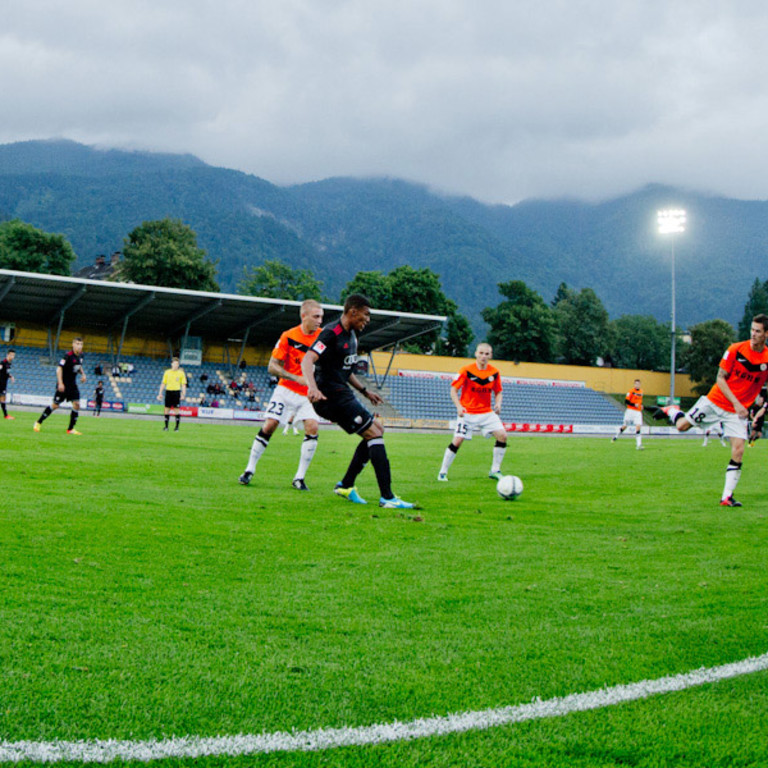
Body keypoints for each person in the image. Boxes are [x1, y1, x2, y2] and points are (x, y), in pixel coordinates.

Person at [301, 293, 415, 509]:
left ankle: (346, 485)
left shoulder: (352, 335)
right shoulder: (331, 333)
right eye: (365, 315)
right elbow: (308, 359)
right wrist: (312, 387)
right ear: (352, 312)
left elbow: (347, 370)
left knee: (376, 429)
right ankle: (387, 498)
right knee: (374, 432)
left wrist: (365, 391)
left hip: (342, 393)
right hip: (330, 396)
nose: (368, 320)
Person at [654, 314, 768, 506]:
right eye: (752, 330)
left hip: (736, 413)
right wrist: (738, 404)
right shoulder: (735, 350)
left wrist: (758, 413)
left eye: (758, 331)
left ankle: (726, 497)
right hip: (716, 400)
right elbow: (720, 379)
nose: (753, 334)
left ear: (766, 334)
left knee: (738, 450)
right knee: (682, 426)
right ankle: (672, 410)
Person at [239, 299, 324, 491]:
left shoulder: (323, 338)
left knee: (313, 426)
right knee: (270, 425)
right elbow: (272, 366)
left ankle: (299, 478)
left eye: (321, 317)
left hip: (308, 394)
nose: (320, 321)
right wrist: (296, 378)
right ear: (304, 316)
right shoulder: (289, 336)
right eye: (316, 316)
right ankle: (249, 469)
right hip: (285, 390)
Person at [437, 342, 507, 482]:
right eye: (481, 353)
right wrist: (458, 406)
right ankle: (442, 472)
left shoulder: (494, 372)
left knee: (503, 436)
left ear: (490, 356)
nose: (483, 356)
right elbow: (453, 390)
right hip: (467, 412)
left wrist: (498, 403)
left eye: (486, 354)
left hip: (486, 412)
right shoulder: (466, 370)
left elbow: (498, 391)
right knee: (457, 440)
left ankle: (495, 470)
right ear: (476, 353)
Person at [34, 337, 87, 434]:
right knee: (55, 405)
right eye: (77, 344)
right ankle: (38, 422)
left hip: (73, 385)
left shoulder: (81, 356)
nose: (79, 346)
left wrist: (83, 374)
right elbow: (59, 369)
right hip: (63, 384)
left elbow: (79, 366)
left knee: (77, 404)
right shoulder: (67, 356)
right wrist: (60, 383)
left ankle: (70, 429)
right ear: (73, 345)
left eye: (81, 344)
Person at [611, 378, 644, 449]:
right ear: (634, 384)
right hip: (630, 411)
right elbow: (626, 401)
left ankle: (639, 445)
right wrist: (634, 405)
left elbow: (639, 401)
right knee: (625, 426)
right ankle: (616, 436)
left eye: (638, 384)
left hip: (638, 412)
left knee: (638, 426)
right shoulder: (631, 391)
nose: (637, 385)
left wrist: (641, 406)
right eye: (636, 384)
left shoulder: (641, 392)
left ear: (640, 384)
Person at [157, 357, 187, 431]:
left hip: (176, 392)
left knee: (176, 409)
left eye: (177, 364)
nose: (176, 365)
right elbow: (163, 383)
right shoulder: (167, 372)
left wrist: (183, 394)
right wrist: (160, 393)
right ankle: (166, 427)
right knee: (166, 409)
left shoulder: (181, 373)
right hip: (168, 391)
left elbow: (183, 385)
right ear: (171, 364)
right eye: (175, 363)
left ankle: (176, 427)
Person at [0, 349, 16, 420]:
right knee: (3, 398)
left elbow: (6, 372)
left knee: (3, 398)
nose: (12, 357)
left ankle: (6, 415)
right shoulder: (3, 362)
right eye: (11, 355)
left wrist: (11, 376)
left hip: (4, 383)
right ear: (8, 355)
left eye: (13, 355)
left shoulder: (9, 364)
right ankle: (6, 415)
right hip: (0, 383)